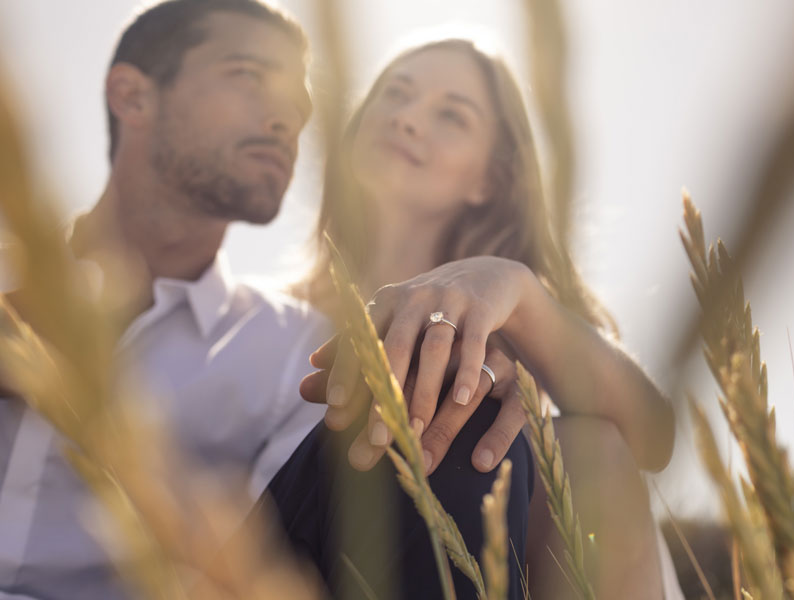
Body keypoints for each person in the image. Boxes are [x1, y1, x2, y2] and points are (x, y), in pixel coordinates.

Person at [0, 2, 529, 598]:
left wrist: (484, 341)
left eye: (299, 105)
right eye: (249, 76)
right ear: (133, 95)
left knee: (440, 402)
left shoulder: (306, 349)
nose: (286, 117)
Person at [287, 36, 682, 599]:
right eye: (394, 93)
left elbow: (654, 437)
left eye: (452, 115)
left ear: (488, 181)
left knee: (585, 445)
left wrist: (523, 295)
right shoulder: (258, 316)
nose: (407, 119)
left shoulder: (511, 352)